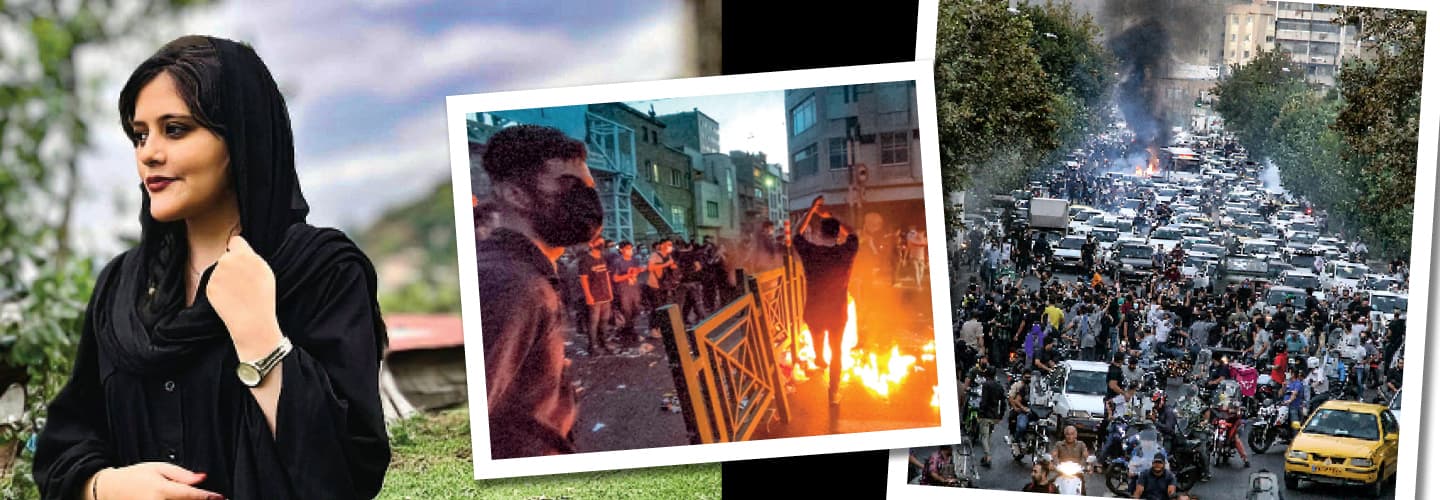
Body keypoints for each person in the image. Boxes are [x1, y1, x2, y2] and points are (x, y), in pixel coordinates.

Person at [35, 36, 391, 499]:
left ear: (241, 137)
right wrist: (104, 486)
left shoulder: (320, 271)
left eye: (176, 129)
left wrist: (261, 337)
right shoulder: (121, 289)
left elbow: (350, 472)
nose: (148, 153)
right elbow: (65, 441)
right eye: (140, 134)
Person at [469, 123, 609, 462]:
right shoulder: (512, 285)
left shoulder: (528, 273)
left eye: (588, 187)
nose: (585, 198)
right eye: (568, 184)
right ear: (515, 194)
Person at [791, 195, 860, 405]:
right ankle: (833, 393)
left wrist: (812, 210)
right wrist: (831, 215)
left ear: (819, 233)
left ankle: (819, 355)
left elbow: (797, 233)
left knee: (817, 335)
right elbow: (854, 233)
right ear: (838, 234)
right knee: (837, 351)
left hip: (814, 311)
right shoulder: (845, 252)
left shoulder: (811, 252)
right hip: (837, 312)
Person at [577, 235, 615, 356]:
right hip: (594, 296)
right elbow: (583, 279)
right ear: (591, 244)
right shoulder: (585, 260)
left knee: (604, 321)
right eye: (598, 242)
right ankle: (592, 346)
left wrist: (610, 292)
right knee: (593, 322)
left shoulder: (602, 258)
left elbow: (606, 276)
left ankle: (603, 342)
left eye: (602, 242)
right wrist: (588, 296)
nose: (601, 244)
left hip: (605, 295)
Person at [608, 241, 645, 342]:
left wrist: (639, 270)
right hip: (623, 290)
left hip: (634, 288)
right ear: (621, 250)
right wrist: (628, 275)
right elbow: (615, 278)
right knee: (626, 311)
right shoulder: (617, 262)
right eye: (627, 248)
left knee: (635, 310)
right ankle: (626, 333)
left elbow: (638, 270)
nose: (630, 250)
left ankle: (630, 331)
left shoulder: (634, 260)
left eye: (631, 248)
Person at [645, 240, 680, 336]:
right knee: (656, 307)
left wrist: (673, 266)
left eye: (671, 244)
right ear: (662, 245)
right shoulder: (655, 255)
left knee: (663, 307)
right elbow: (650, 268)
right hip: (654, 285)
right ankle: (653, 329)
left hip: (664, 285)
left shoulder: (669, 256)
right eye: (668, 244)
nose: (670, 246)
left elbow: (671, 267)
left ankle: (660, 328)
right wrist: (666, 264)